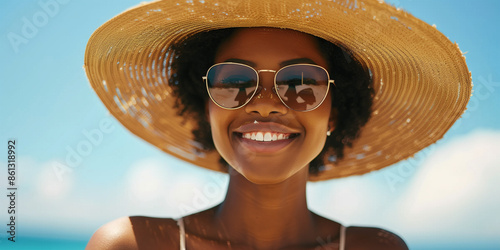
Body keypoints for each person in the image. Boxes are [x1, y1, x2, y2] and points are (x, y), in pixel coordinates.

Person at [84, 0, 471, 249]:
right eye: (235, 82)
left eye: (301, 83)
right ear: (206, 106)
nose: (266, 105)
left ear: (335, 112)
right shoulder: (130, 245)